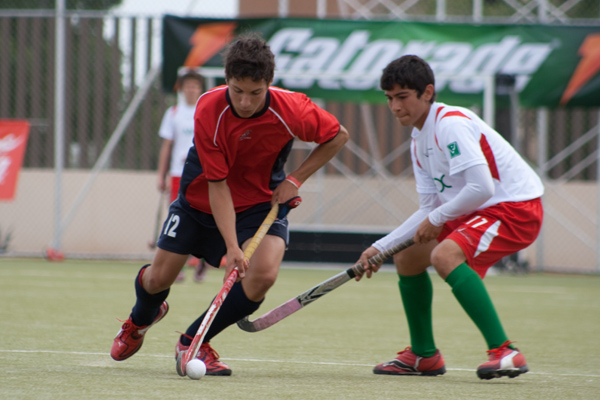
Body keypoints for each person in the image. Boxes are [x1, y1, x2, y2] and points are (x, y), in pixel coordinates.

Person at [110, 34, 349, 376]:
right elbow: (217, 185)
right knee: (158, 279)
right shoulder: (209, 109)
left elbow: (337, 135)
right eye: (237, 90)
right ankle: (140, 320)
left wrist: (295, 179)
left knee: (263, 275)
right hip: (199, 203)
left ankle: (194, 340)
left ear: (269, 83)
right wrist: (233, 247)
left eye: (255, 92)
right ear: (226, 81)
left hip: (258, 204)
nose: (246, 102)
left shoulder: (292, 108)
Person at [355, 55, 543, 380]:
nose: (395, 107)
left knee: (444, 255)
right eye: (389, 99)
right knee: (408, 257)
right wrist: (380, 247)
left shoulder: (450, 124)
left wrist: (440, 216)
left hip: (515, 208)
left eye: (403, 97)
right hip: (476, 209)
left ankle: (505, 351)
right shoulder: (418, 140)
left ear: (427, 92)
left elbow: (482, 187)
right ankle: (423, 355)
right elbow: (429, 209)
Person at [156, 68, 210, 282]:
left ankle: (201, 262)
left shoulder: (206, 110)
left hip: (204, 174)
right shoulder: (173, 113)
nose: (191, 90)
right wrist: (161, 175)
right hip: (179, 175)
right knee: (177, 220)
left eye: (195, 86)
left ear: (200, 89)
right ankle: (176, 267)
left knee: (205, 218)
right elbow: (166, 146)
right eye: (187, 86)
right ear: (182, 88)